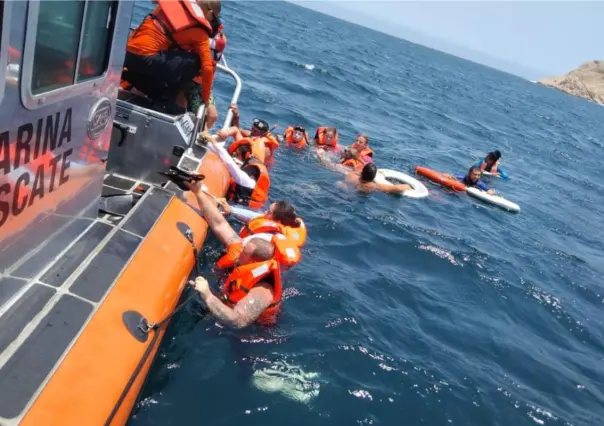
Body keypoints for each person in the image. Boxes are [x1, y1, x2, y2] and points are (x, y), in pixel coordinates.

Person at [185, 180, 287, 328]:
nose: (239, 253)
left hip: (250, 333)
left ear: (253, 262)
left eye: (243, 253)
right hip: (227, 300)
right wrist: (198, 193)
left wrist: (207, 295)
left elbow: (238, 321)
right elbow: (220, 224)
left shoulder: (263, 291)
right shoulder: (245, 253)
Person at [122, 0, 221, 114]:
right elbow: (207, 68)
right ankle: (164, 101)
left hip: (127, 55)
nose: (213, 22)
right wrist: (205, 98)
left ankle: (128, 76)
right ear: (209, 13)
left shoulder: (169, 8)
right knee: (195, 62)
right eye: (214, 18)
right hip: (146, 60)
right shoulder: (200, 32)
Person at [199, 131, 270, 209]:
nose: (233, 157)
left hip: (239, 212)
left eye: (236, 154)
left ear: (246, 156)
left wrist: (211, 141)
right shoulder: (252, 177)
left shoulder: (247, 181)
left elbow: (229, 162)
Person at [219, 200, 307, 248]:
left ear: (278, 221)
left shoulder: (268, 237)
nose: (265, 212)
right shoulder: (276, 222)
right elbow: (255, 217)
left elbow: (238, 246)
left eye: (268, 212)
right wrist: (231, 210)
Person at [344, 163, 412, 194]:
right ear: (374, 177)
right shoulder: (374, 186)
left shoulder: (351, 176)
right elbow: (398, 188)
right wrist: (408, 186)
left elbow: (355, 171)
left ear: (362, 172)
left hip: (346, 191)